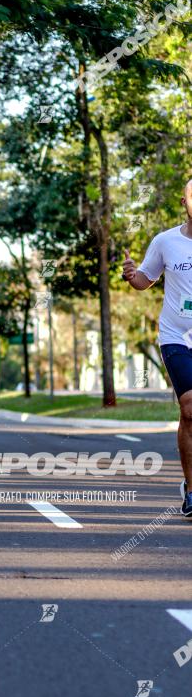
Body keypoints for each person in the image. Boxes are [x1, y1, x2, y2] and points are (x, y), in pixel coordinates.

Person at [123, 177, 192, 517]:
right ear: (184, 200)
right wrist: (131, 273)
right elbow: (144, 281)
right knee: (190, 407)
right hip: (176, 335)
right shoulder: (166, 241)